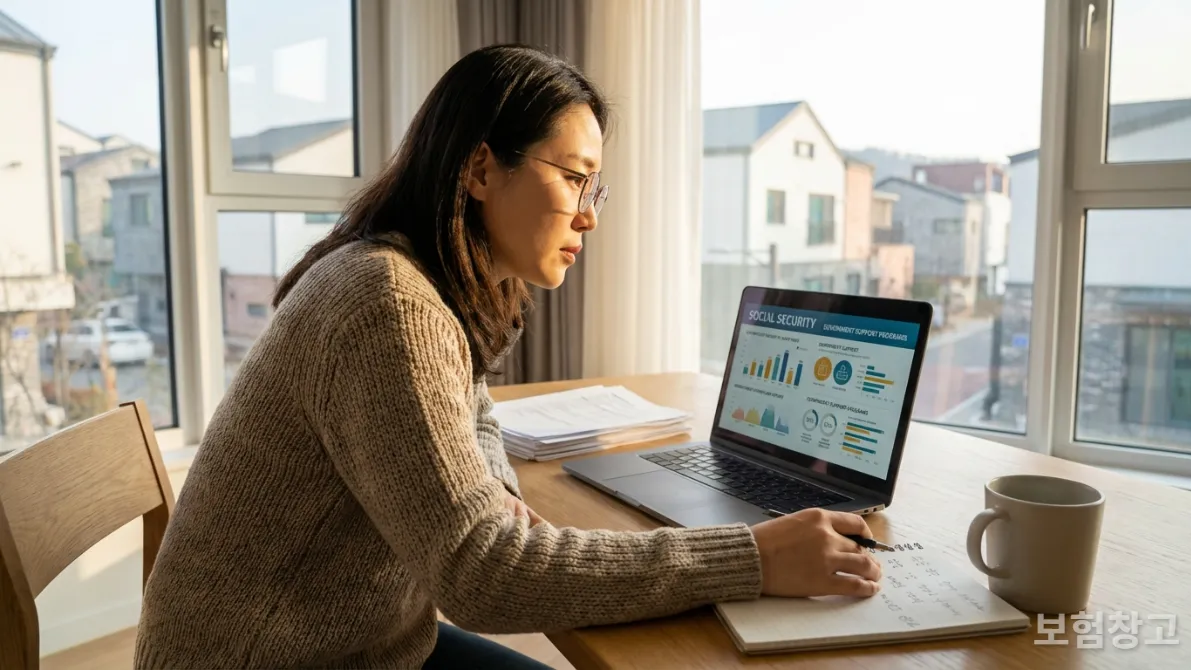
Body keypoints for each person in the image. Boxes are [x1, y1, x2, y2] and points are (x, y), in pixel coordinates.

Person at [134, 44, 883, 669]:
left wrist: (491, 485)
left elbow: (476, 409)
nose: (590, 213)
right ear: (481, 169)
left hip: (365, 641)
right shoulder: (387, 305)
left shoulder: (431, 279)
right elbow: (483, 575)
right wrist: (751, 557)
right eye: (572, 176)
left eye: (598, 186)